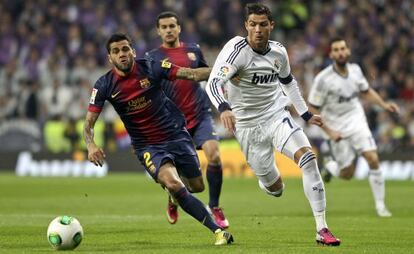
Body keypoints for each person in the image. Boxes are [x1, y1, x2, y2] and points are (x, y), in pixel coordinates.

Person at [205, 3, 340, 246]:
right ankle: (267, 181)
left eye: (263, 24)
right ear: (246, 25)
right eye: (253, 24)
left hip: (276, 115)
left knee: (309, 160)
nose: (258, 29)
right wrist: (224, 108)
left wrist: (306, 113)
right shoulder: (236, 51)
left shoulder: (279, 52)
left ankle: (322, 228)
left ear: (271, 26)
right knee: (275, 189)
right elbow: (213, 83)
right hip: (247, 127)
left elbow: (288, 82)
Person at [84, 33, 233, 245]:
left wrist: (224, 73)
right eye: (116, 51)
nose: (122, 54)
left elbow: (190, 74)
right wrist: (90, 145)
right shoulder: (104, 85)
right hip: (148, 145)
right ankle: (218, 231)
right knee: (173, 183)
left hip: (176, 134)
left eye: (125, 49)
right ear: (110, 58)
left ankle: (174, 197)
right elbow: (88, 123)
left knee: (197, 187)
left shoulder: (151, 67)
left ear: (133, 51)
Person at [145, 11, 229, 228]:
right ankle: (174, 196)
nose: (169, 30)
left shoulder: (193, 50)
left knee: (215, 155)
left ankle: (215, 206)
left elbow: (207, 74)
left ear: (179, 28)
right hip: (172, 123)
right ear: (158, 31)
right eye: (164, 27)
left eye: (172, 25)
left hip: (200, 114)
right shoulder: (152, 57)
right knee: (188, 181)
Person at [308, 37, 399, 217]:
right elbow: (312, 108)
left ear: (348, 51)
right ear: (331, 54)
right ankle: (332, 168)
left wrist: (384, 105)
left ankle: (380, 206)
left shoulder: (356, 70)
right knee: (347, 174)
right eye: (336, 50)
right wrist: (329, 131)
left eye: (343, 48)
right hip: (336, 128)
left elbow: (366, 92)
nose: (341, 52)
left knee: (373, 158)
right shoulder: (323, 79)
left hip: (357, 121)